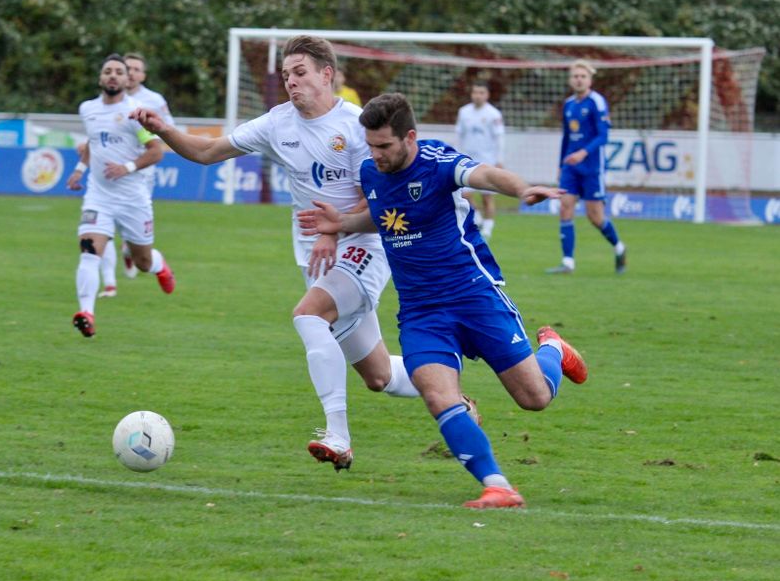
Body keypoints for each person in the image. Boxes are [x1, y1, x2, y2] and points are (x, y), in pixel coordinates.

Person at [131, 35, 477, 471]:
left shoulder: (356, 126)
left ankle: (339, 437)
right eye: (285, 76)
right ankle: (456, 399)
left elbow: (381, 200)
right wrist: (164, 129)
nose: (291, 83)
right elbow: (205, 151)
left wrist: (335, 228)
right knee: (378, 377)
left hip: (364, 246)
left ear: (326, 74)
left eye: (300, 73)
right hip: (317, 258)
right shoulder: (277, 124)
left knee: (308, 315)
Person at [297, 93, 588, 509]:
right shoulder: (371, 171)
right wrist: (342, 223)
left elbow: (485, 174)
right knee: (437, 395)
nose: (375, 155)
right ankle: (498, 485)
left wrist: (522, 189)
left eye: (384, 146)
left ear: (409, 137)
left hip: (473, 294)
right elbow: (383, 215)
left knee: (534, 398)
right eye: (371, 144)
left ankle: (554, 350)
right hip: (420, 311)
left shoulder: (438, 162)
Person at [66, 54, 175, 338]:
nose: (112, 75)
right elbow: (94, 142)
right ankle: (86, 313)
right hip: (98, 197)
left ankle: (159, 266)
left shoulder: (135, 113)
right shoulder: (87, 109)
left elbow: (155, 151)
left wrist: (126, 167)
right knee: (89, 252)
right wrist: (79, 169)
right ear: (100, 78)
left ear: (128, 80)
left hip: (132, 199)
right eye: (107, 71)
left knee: (141, 261)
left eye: (118, 72)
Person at [93, 52, 175, 297]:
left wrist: (144, 139)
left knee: (133, 237)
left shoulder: (152, 99)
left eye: (137, 69)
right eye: (128, 68)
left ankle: (133, 252)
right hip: (105, 179)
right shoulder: (103, 102)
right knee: (102, 229)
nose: (132, 72)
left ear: (142, 74)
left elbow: (167, 129)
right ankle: (109, 285)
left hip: (140, 175)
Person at [547, 59, 626, 274]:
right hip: (571, 168)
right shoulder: (569, 104)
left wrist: (583, 153)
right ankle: (568, 262)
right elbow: (567, 137)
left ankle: (619, 247)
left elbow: (603, 136)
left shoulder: (597, 102)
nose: (579, 80)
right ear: (570, 79)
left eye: (583, 76)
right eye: (575, 76)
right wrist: (561, 164)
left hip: (592, 167)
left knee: (595, 216)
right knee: (565, 207)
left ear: (589, 80)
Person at [455, 80, 505, 239]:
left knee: (487, 197)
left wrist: (499, 159)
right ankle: (479, 218)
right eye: (475, 92)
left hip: (487, 160)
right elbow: (459, 136)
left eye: (481, 93)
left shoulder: (493, 114)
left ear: (487, 95)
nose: (477, 96)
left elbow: (499, 138)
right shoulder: (464, 112)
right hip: (468, 160)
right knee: (465, 195)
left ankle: (488, 227)